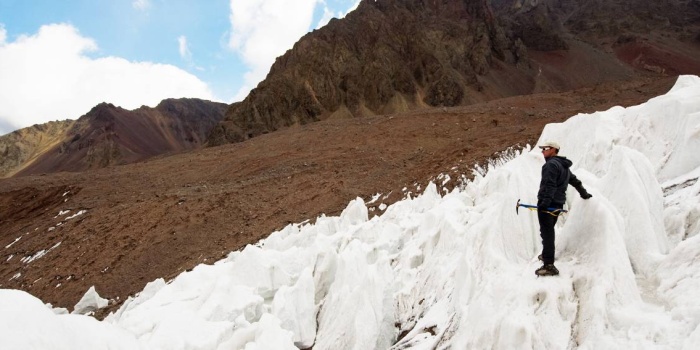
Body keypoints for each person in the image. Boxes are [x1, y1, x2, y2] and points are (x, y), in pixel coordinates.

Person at [536, 141, 592, 276]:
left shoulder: (550, 165)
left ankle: (549, 265)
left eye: (545, 148)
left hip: (548, 204)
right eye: (542, 149)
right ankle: (546, 255)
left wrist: (545, 203)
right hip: (558, 204)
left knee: (547, 233)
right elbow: (574, 181)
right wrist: (584, 193)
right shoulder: (563, 165)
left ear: (554, 150)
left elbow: (550, 185)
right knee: (548, 231)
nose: (542, 151)